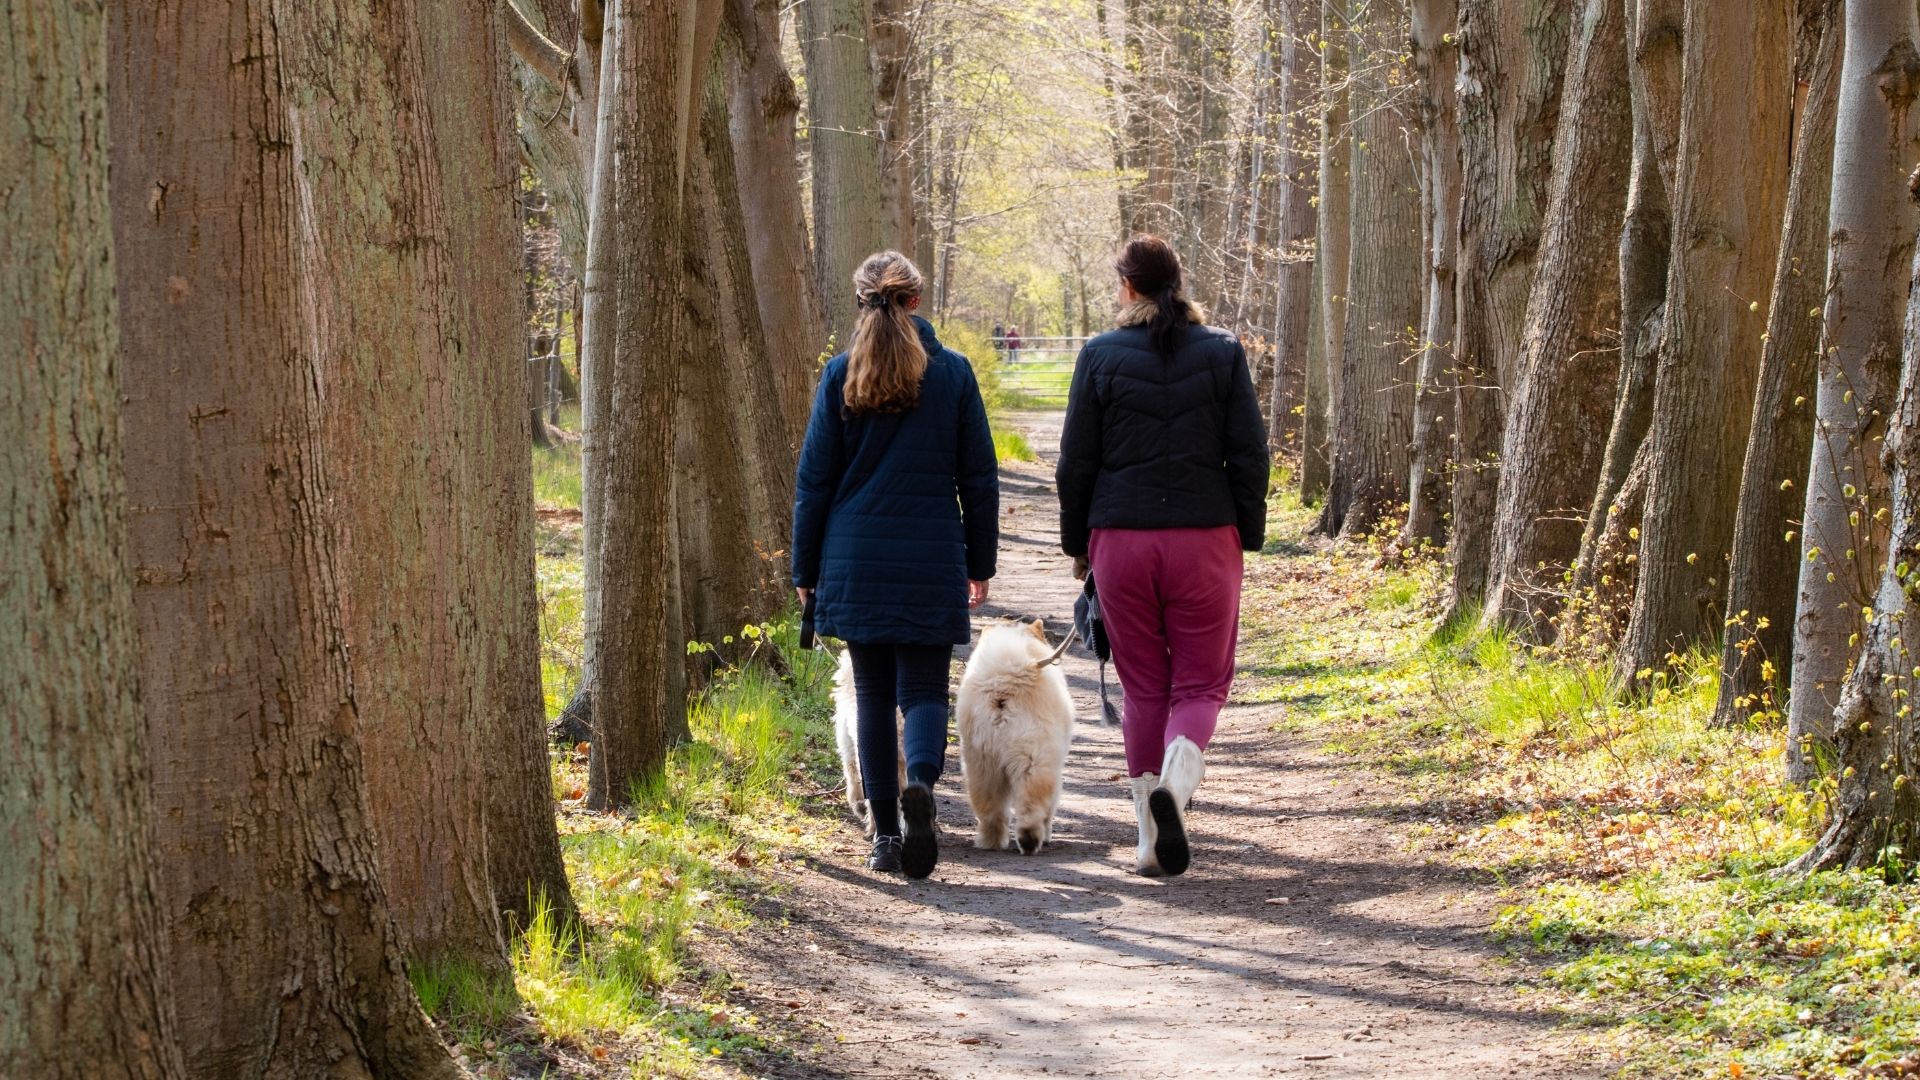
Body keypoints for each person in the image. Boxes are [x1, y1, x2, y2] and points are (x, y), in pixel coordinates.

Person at [1055, 235, 1268, 878]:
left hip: (1121, 540)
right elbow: (1250, 454)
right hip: (1206, 538)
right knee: (1202, 685)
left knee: (1145, 687)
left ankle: (1149, 841)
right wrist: (1245, 534)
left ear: (1127, 288)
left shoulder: (1098, 354)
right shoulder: (1224, 352)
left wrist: (1077, 548)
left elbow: (1076, 464)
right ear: (1177, 283)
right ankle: (1178, 784)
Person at [792, 251, 999, 878]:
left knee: (875, 697)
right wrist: (980, 563)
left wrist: (805, 569)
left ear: (863, 304)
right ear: (916, 301)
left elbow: (814, 483)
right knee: (924, 690)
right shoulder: (955, 375)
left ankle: (884, 833)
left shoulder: (839, 376)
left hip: (853, 560)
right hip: (931, 555)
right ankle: (926, 791)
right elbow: (980, 479)